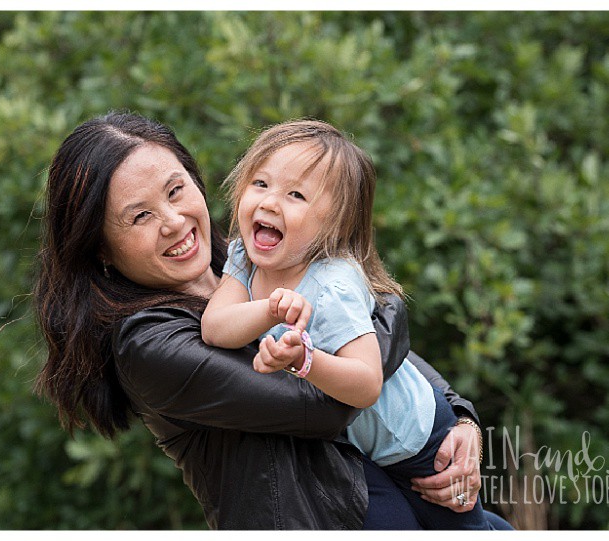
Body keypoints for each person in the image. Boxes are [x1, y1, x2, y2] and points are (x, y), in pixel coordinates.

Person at [33, 111, 508, 530]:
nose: (174, 221)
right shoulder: (147, 343)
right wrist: (383, 308)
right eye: (140, 217)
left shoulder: (249, 260)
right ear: (100, 249)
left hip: (392, 477)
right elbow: (321, 404)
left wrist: (460, 420)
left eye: (176, 191)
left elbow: (356, 333)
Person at [201, 119, 491, 529]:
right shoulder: (245, 258)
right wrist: (270, 311)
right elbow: (215, 328)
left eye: (296, 195)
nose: (269, 203)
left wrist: (304, 360)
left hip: (417, 439)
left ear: (334, 224)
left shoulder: (332, 285)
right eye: (260, 184)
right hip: (356, 449)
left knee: (464, 529)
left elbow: (367, 383)